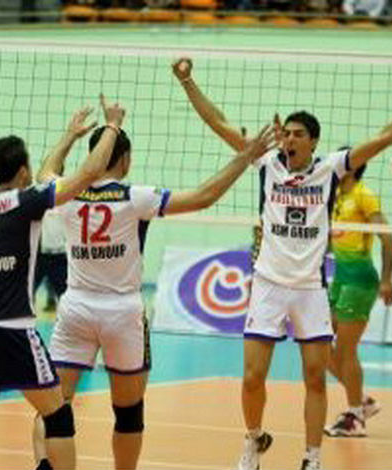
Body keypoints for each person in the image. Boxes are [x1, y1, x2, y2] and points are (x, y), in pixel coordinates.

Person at [172, 56, 392, 470]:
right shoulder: (266, 162)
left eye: (298, 134)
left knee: (316, 377)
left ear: (314, 142)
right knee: (252, 377)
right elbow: (218, 122)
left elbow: (385, 136)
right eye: (287, 133)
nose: (289, 139)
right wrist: (187, 80)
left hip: (309, 290)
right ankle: (253, 440)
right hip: (267, 285)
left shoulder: (331, 169)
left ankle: (311, 457)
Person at [31, 118, 276, 470]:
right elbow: (204, 197)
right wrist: (246, 157)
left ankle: (45, 463)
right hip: (122, 314)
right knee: (129, 413)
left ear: (93, 156)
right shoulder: (135, 197)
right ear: (125, 159)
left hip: (76, 308)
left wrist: (69, 135)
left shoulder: (65, 193)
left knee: (53, 406)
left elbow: (44, 172)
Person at [0, 96, 125, 470]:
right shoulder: (26, 201)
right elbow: (88, 173)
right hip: (12, 327)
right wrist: (112, 127)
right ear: (22, 171)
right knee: (58, 415)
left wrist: (69, 135)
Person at [324, 158, 392, 438]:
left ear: (351, 168)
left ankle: (355, 417)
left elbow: (387, 238)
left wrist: (387, 279)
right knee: (318, 343)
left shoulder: (364, 195)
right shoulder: (336, 195)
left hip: (361, 279)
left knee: (345, 350)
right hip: (340, 277)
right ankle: (362, 401)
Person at [34, 206, 67, 312]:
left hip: (61, 256)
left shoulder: (65, 208)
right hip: (42, 256)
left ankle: (61, 314)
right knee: (29, 290)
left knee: (63, 293)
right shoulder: (41, 207)